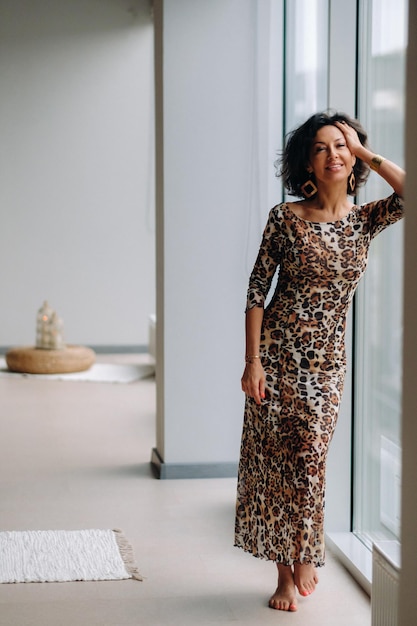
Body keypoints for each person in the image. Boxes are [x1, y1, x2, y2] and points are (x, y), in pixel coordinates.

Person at [234, 111, 405, 613]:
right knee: (278, 465)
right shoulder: (285, 218)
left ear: (352, 157)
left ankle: (306, 550)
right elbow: (255, 291)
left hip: (327, 366)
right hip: (275, 358)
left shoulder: (366, 219)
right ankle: (286, 574)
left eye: (341, 146)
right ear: (306, 161)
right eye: (321, 147)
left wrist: (366, 149)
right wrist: (252, 361)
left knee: (310, 457)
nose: (332, 154)